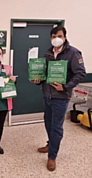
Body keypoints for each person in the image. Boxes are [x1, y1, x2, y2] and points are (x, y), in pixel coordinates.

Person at [31, 26, 86, 171]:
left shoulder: (73, 53)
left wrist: (66, 86)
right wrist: (38, 80)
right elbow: (45, 74)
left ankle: (52, 157)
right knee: (48, 122)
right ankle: (51, 145)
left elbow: (80, 73)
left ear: (65, 37)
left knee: (56, 127)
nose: (57, 38)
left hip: (61, 97)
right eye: (54, 36)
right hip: (47, 95)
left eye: (60, 36)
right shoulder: (48, 53)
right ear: (51, 38)